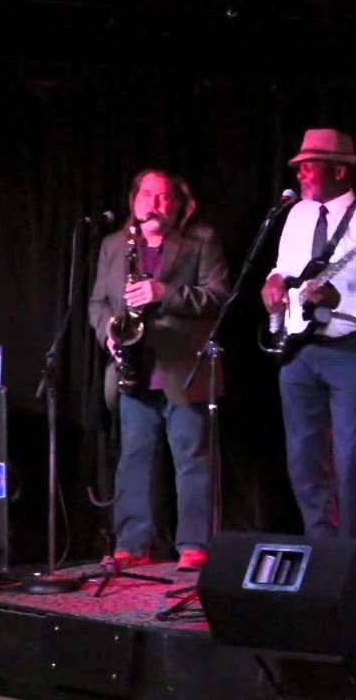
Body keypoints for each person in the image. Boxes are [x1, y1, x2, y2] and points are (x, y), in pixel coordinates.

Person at [261, 128, 356, 540]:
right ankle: (319, 540)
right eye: (300, 166)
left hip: (351, 349)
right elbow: (284, 267)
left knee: (349, 454)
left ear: (340, 171)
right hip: (299, 348)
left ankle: (352, 548)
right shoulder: (297, 215)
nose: (301, 173)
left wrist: (340, 298)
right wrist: (273, 281)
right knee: (302, 453)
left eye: (310, 166)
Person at [88, 168, 229, 571]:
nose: (155, 203)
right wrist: (108, 334)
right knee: (133, 458)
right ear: (134, 200)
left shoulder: (202, 241)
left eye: (164, 196)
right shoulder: (114, 245)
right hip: (133, 368)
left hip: (184, 368)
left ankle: (194, 545)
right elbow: (98, 303)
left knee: (191, 458)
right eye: (147, 194)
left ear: (178, 204)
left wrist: (162, 291)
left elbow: (219, 296)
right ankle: (132, 543)